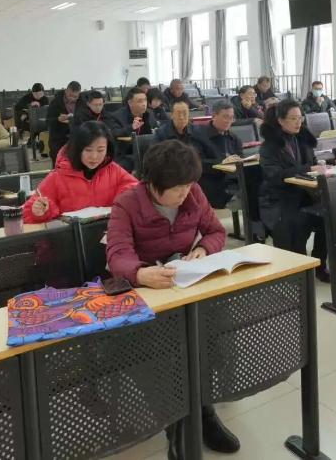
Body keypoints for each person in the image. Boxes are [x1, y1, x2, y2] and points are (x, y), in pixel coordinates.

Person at [105, 140, 238, 456]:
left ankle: (205, 412)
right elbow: (117, 254)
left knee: (211, 337)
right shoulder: (127, 203)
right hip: (147, 295)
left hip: (183, 286)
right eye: (178, 189)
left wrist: (203, 248)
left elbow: (216, 231)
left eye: (188, 186)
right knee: (165, 356)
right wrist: (140, 273)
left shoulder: (193, 193)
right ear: (153, 184)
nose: (185, 194)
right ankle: (178, 426)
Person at [258, 99, 329, 281]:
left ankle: (319, 264)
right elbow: (275, 176)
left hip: (303, 195)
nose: (299, 122)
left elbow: (312, 164)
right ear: (281, 120)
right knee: (297, 222)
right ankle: (298, 272)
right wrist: (308, 168)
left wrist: (328, 164)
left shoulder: (302, 140)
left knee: (327, 217)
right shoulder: (269, 147)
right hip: (278, 200)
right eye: (293, 119)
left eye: (300, 118)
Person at [22, 122, 138, 223]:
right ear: (77, 149)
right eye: (88, 150)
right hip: (71, 237)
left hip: (108, 233)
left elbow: (135, 189)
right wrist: (38, 211)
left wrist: (123, 200)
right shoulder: (59, 175)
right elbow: (28, 211)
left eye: (100, 150)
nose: (94, 156)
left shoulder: (113, 170)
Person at [193, 102, 244, 208]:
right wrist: (223, 163)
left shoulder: (234, 138)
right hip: (212, 181)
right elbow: (197, 163)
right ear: (214, 116)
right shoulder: (198, 135)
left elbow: (240, 159)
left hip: (233, 180)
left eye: (231, 118)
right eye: (225, 117)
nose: (228, 121)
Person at [104, 86, 157, 170]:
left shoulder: (149, 114)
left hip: (147, 150)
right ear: (130, 103)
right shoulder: (116, 116)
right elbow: (114, 133)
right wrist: (131, 127)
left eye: (145, 100)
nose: (144, 104)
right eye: (140, 101)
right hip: (127, 153)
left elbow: (155, 129)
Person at [46, 81, 87, 166]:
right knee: (59, 165)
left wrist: (75, 120)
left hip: (77, 137)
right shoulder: (56, 102)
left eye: (75, 97)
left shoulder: (83, 102)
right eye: (70, 95)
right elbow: (48, 121)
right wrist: (58, 119)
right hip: (59, 138)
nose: (72, 98)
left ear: (79, 94)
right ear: (66, 91)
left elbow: (86, 118)